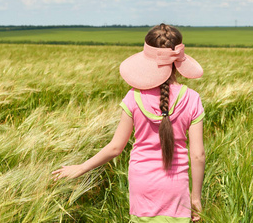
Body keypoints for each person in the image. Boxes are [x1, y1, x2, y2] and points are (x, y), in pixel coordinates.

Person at [52, 23, 206, 222]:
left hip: (142, 187)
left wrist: (80, 168)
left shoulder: (134, 97)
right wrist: (195, 199)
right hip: (176, 188)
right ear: (178, 61)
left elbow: (116, 147)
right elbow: (198, 155)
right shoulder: (192, 98)